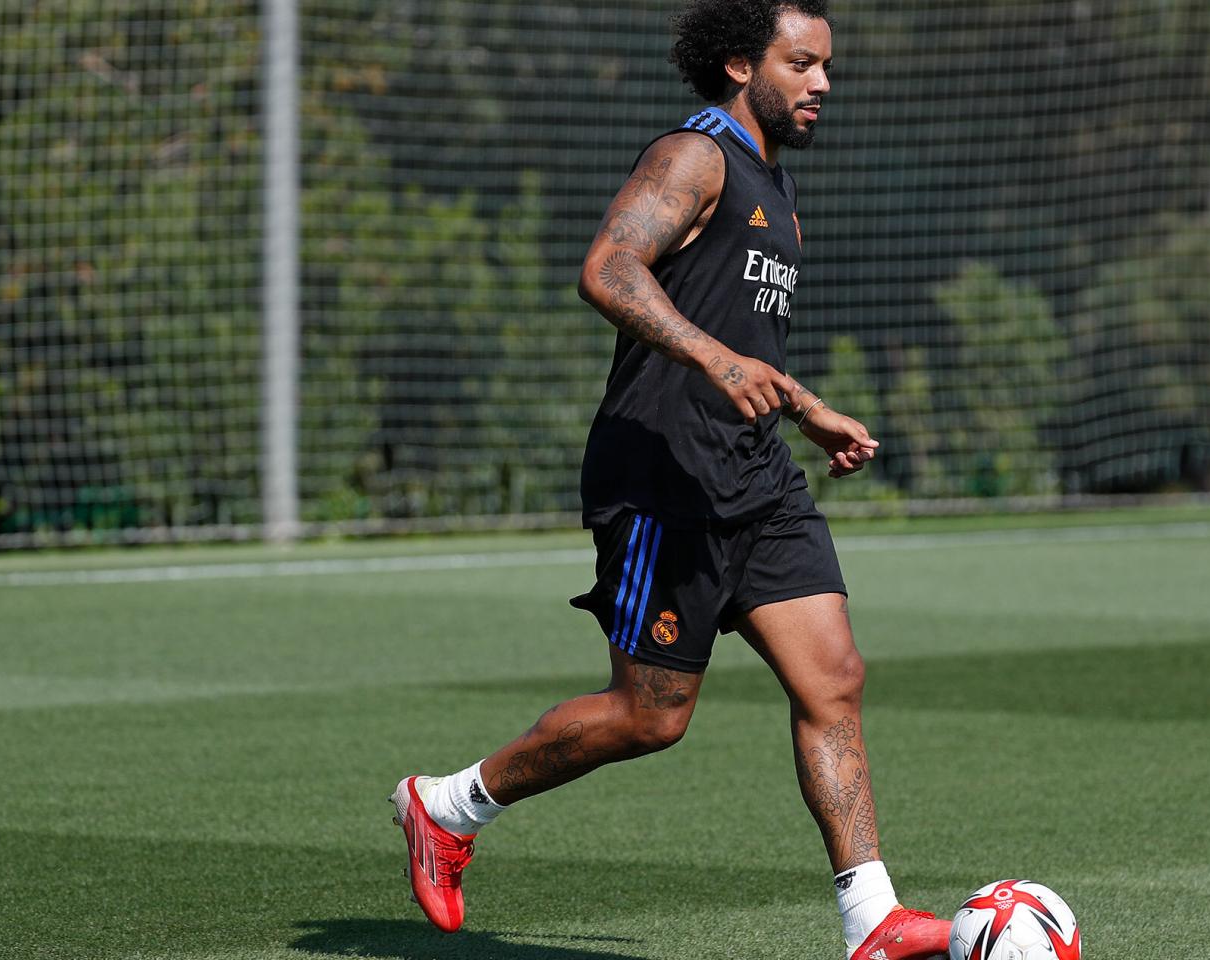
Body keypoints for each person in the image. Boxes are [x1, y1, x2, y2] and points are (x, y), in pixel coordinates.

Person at [390, 3, 950, 957]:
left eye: (826, 66)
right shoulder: (694, 157)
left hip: (757, 474)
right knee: (650, 718)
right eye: (801, 63)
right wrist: (714, 361)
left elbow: (740, 338)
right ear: (739, 64)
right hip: (663, 475)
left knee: (834, 680)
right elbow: (608, 269)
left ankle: (873, 921)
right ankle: (447, 807)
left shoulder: (776, 184)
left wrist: (804, 406)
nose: (822, 83)